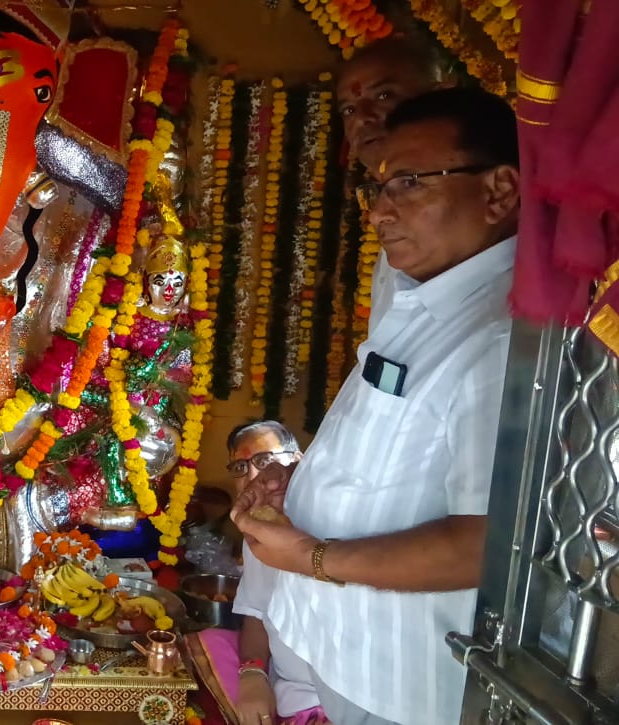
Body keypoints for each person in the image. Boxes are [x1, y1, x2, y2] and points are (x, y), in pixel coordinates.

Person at [233, 87, 521, 725]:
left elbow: (484, 545)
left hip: (402, 683)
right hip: (342, 654)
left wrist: (311, 557)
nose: (381, 213)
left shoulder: (498, 341)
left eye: (411, 183)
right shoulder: (427, 298)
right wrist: (299, 479)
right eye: (380, 189)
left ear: (499, 191)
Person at [336, 35, 449, 331]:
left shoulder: (465, 205)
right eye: (348, 110)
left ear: (441, 95)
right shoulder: (387, 218)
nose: (362, 118)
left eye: (384, 96)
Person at [223, 422, 325, 725]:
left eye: (266, 461)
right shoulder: (257, 529)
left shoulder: (334, 523)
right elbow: (256, 612)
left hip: (339, 704)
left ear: (299, 461)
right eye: (241, 467)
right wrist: (253, 674)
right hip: (286, 691)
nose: (255, 476)